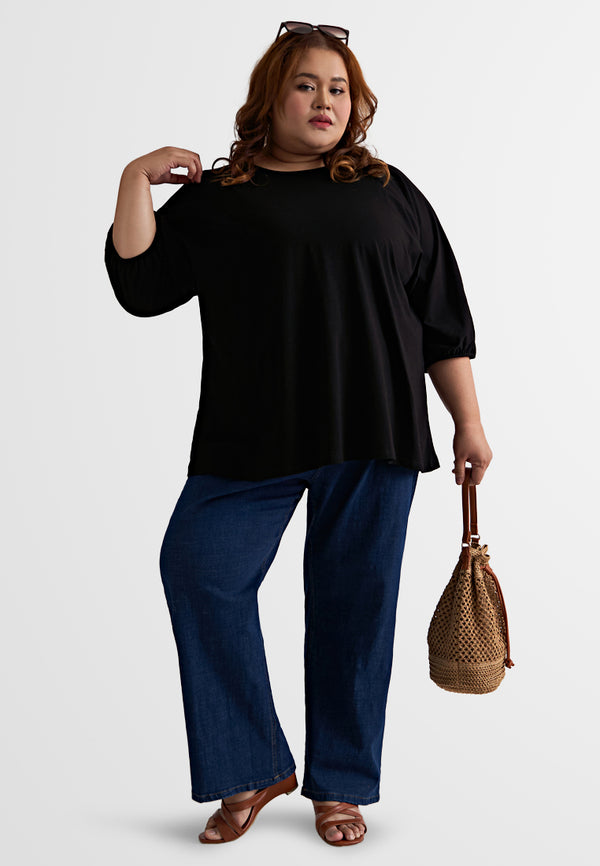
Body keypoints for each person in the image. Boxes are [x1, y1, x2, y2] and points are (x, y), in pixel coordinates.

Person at [104, 20, 492, 847]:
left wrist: (468, 421)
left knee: (355, 609)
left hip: (374, 428)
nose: (325, 100)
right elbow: (139, 285)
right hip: (249, 434)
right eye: (307, 84)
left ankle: (340, 787)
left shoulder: (389, 191)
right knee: (198, 569)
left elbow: (441, 319)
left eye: (339, 88)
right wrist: (136, 177)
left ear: (357, 104)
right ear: (271, 98)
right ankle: (251, 766)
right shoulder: (220, 197)